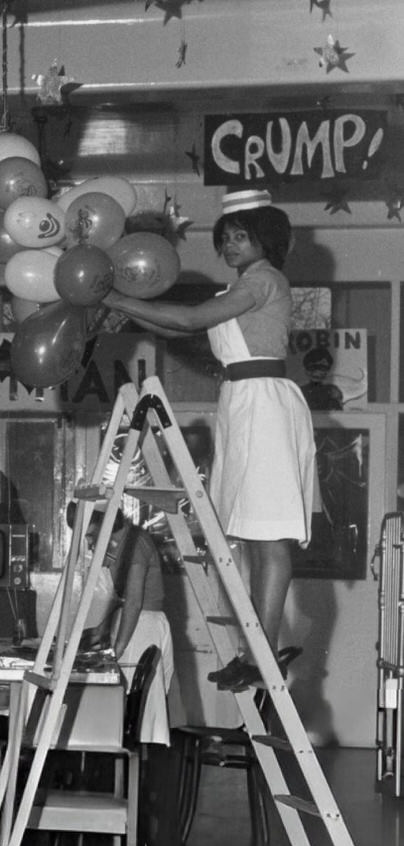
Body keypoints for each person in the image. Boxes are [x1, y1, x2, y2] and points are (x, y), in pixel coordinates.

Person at [101, 188, 315, 690]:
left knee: (271, 531)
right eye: (227, 238)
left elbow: (189, 320)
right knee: (247, 535)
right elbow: (179, 331)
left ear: (267, 240)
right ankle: (253, 649)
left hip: (264, 403)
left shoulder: (264, 280)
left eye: (243, 236)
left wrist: (110, 295)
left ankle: (263, 651)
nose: (233, 246)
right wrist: (122, 309)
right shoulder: (234, 290)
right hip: (241, 404)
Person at [68, 503, 177, 746]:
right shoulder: (122, 539)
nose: (90, 544)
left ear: (102, 522)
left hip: (144, 625)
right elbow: (124, 599)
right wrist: (102, 628)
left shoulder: (136, 543)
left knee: (133, 707)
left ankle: (129, 758)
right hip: (136, 622)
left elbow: (135, 601)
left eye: (90, 535)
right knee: (124, 704)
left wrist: (117, 650)